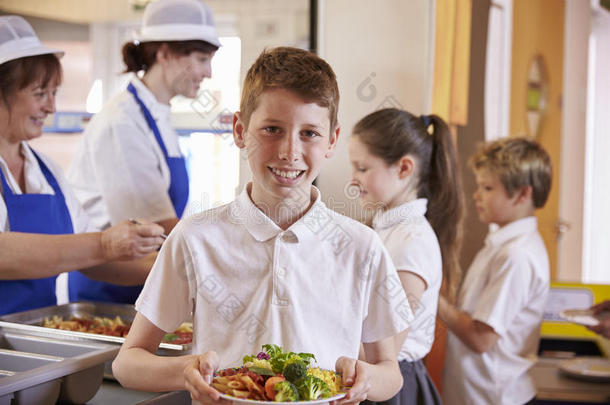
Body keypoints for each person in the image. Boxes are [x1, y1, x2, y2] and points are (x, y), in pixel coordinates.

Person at [112, 46, 414, 404]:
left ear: (332, 140)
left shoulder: (361, 246)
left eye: (309, 134)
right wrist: (185, 370)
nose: (289, 151)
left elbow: (389, 371)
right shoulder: (195, 238)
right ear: (240, 130)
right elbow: (127, 363)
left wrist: (367, 380)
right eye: (272, 129)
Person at [0, 15, 164, 316]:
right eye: (39, 94)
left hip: (34, 335)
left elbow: (95, 260)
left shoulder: (46, 171)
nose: (51, 107)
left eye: (53, 94)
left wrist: (176, 268)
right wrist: (103, 243)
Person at [67, 0, 220, 304]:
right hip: (112, 287)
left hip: (148, 276)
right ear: (164, 53)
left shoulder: (157, 115)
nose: (209, 72)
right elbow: (152, 227)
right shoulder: (122, 121)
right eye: (202, 59)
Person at [348, 109, 464, 405]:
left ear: (403, 168)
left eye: (362, 168)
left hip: (393, 389)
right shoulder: (386, 229)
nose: (353, 180)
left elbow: (388, 345)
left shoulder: (412, 241)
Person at [439, 137, 552, 405]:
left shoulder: (516, 255)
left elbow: (481, 339)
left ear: (523, 194)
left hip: (494, 397)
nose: (477, 195)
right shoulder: (501, 245)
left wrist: (435, 299)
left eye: (488, 188)